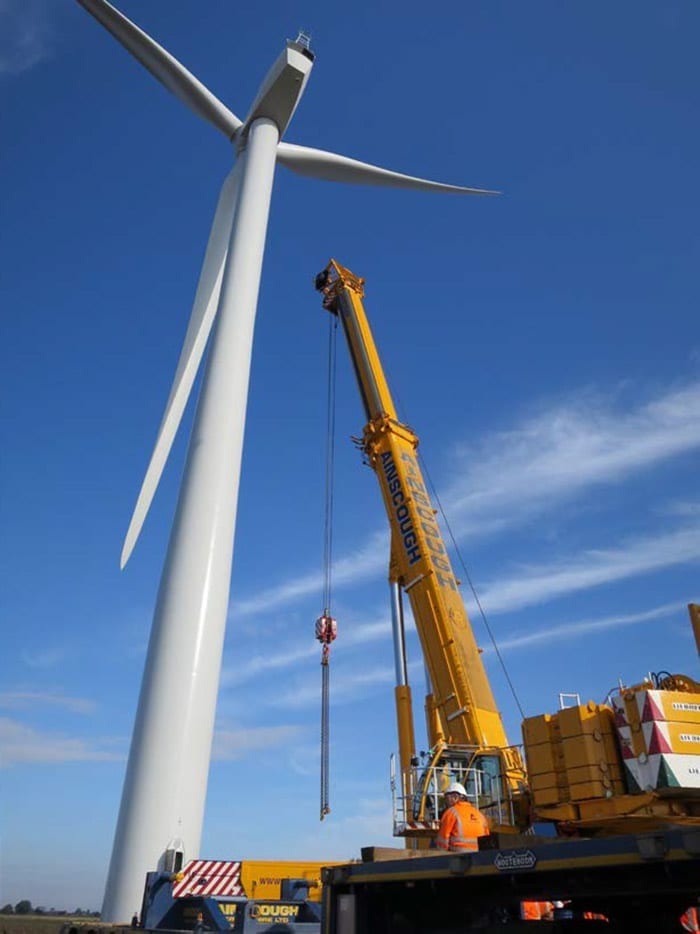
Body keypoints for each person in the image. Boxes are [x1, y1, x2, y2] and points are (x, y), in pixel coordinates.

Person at [435, 781, 490, 852]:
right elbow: (487, 839)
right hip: (478, 858)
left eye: (447, 798)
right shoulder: (480, 815)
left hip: (458, 858)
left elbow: (442, 842)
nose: (446, 802)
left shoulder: (450, 813)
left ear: (455, 797)